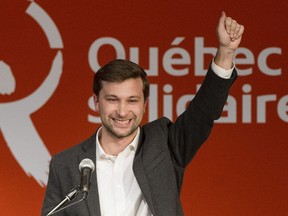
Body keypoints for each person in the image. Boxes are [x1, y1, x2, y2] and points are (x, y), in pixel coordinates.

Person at [42, 11, 244, 216]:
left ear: (145, 104)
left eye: (132, 100)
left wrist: (225, 52)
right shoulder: (66, 164)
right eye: (113, 100)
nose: (122, 111)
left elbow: (203, 113)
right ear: (96, 101)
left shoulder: (164, 144)